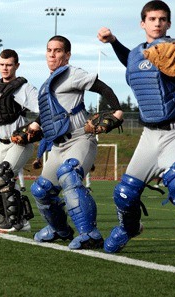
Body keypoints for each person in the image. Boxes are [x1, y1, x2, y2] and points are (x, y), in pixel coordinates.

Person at [97, 0, 175, 253]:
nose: (157, 23)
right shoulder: (138, 53)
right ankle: (129, 228)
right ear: (143, 23)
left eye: (162, 19)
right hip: (149, 135)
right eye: (152, 19)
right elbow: (131, 62)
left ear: (168, 23)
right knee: (125, 194)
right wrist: (114, 41)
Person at [27, 35, 123, 249]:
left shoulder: (73, 73)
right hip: (58, 145)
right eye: (49, 50)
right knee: (41, 190)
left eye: (58, 50)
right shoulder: (47, 84)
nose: (52, 54)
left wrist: (117, 109)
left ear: (67, 55)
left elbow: (102, 88)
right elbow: (53, 111)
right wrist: (36, 124)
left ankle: (90, 234)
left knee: (69, 176)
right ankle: (59, 229)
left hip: (81, 138)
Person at [0, 49, 39, 232]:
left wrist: (34, 126)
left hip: (19, 143)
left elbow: (43, 109)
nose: (4, 68)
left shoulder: (23, 88)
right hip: (1, 143)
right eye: (2, 64)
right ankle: (7, 215)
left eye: (9, 65)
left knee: (2, 177)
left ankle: (18, 222)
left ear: (16, 66)